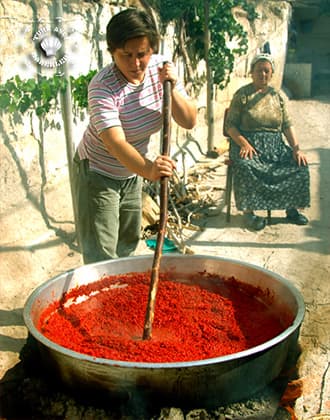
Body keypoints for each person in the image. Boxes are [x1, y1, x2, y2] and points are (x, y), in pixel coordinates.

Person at [73, 8, 197, 263]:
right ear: (111, 51)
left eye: (142, 54)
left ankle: (121, 292)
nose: (135, 63)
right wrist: (151, 170)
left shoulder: (162, 71)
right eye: (125, 55)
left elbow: (189, 120)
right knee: (102, 251)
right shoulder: (102, 87)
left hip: (133, 171)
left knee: (127, 242)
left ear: (152, 49)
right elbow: (116, 143)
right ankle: (104, 299)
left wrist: (171, 90)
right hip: (98, 171)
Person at [225, 53, 310, 231]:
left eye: (267, 71)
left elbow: (287, 125)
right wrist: (244, 144)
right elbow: (230, 126)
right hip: (248, 145)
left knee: (298, 164)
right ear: (251, 72)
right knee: (245, 166)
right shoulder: (242, 95)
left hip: (275, 147)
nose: (263, 75)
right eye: (259, 71)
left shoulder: (277, 96)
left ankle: (292, 209)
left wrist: (296, 149)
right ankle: (249, 214)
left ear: (271, 74)